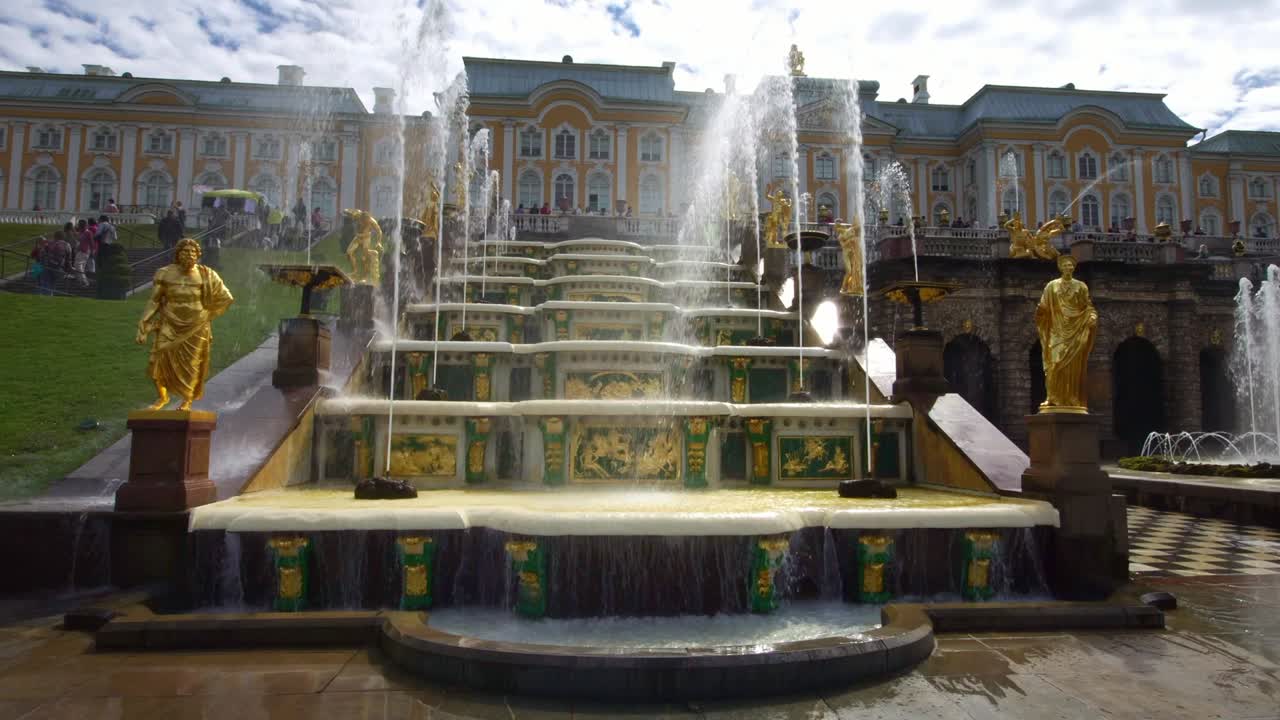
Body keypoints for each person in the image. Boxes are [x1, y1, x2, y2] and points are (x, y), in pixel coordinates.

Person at [135, 238, 234, 411]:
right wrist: (143, 323)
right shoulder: (164, 273)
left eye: (193, 252)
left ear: (198, 255)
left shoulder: (207, 274)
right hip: (170, 323)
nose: (189, 255)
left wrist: (209, 315)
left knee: (191, 364)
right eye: (185, 252)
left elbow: (227, 298)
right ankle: (163, 398)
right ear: (178, 254)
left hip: (196, 326)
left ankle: (187, 401)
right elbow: (154, 301)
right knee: (157, 360)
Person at [1035, 254, 1098, 412]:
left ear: (1074, 268)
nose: (1068, 267)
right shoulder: (1052, 286)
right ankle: (1052, 397)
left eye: (1070, 265)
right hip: (1057, 330)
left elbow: (1088, 307)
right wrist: (1040, 311)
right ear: (1060, 268)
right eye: (1065, 265)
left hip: (1076, 329)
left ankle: (1072, 398)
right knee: (1054, 364)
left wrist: (1092, 317)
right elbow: (1044, 305)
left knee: (1073, 367)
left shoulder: (1081, 286)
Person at [38, 231, 72, 295]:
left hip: (47, 266)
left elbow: (42, 254)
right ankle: (50, 296)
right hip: (59, 268)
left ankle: (47, 297)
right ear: (63, 237)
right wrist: (69, 268)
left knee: (46, 283)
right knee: (52, 282)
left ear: (55, 236)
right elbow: (69, 259)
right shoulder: (67, 245)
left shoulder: (49, 243)